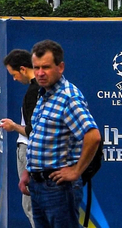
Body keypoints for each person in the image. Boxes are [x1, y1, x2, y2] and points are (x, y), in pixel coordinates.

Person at [22, 39, 100, 228]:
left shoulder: (68, 97)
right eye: (36, 67)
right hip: (38, 184)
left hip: (58, 188)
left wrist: (76, 171)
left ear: (61, 67)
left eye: (46, 67)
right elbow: (39, 138)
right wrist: (28, 171)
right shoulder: (44, 94)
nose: (40, 73)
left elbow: (93, 136)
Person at [0, 48, 39, 226]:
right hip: (30, 149)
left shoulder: (34, 92)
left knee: (31, 206)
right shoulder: (37, 90)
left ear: (23, 69)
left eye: (14, 74)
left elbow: (33, 130)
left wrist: (14, 126)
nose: (14, 79)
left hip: (29, 149)